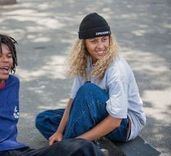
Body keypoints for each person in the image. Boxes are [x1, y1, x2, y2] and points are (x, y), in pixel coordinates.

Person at [0, 33, 104, 156]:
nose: (6, 60)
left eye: (9, 56)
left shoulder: (13, 83)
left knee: (80, 147)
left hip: (17, 151)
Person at [35, 12, 146, 145]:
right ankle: (86, 144)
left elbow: (115, 121)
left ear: (110, 39)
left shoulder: (117, 69)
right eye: (94, 41)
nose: (100, 46)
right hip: (99, 112)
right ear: (84, 44)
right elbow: (72, 100)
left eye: (104, 39)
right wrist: (59, 131)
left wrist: (76, 140)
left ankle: (70, 147)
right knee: (44, 119)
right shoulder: (86, 62)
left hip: (125, 124)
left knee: (88, 91)